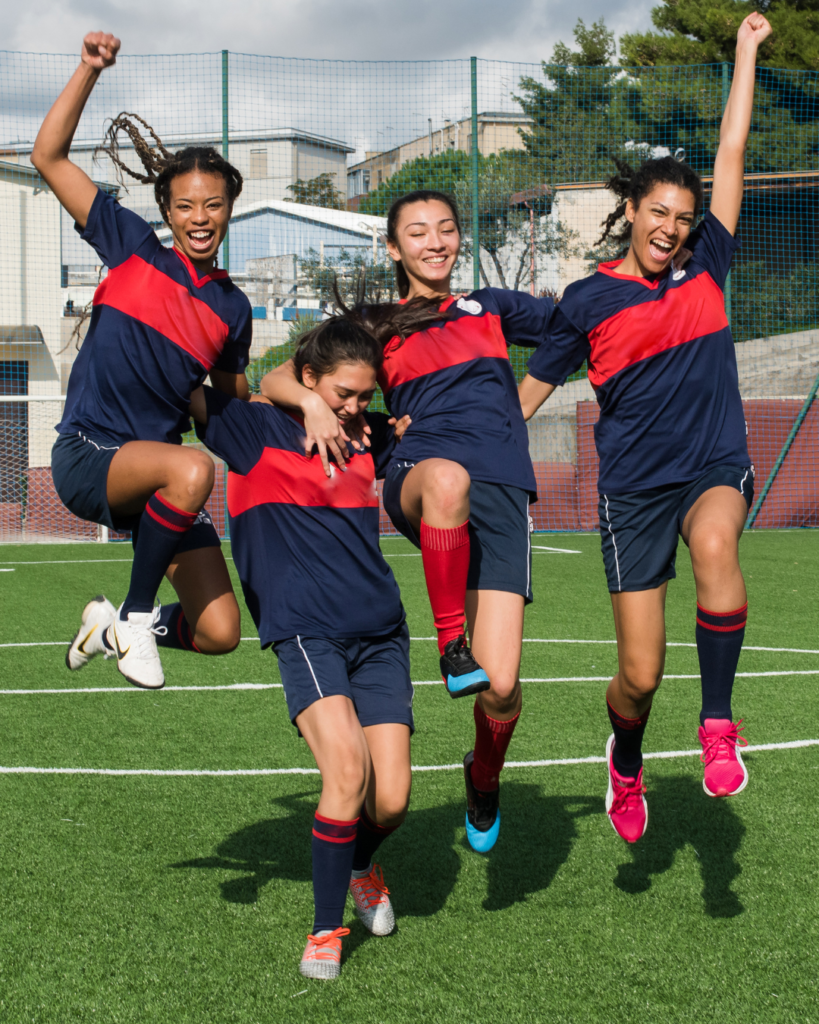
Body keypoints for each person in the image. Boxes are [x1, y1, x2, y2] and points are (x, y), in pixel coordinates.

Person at [519, 13, 773, 843]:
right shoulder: (584, 302)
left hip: (712, 466)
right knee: (637, 675)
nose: (669, 227)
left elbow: (730, 153)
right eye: (657, 211)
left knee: (716, 549)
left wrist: (742, 52)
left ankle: (718, 727)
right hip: (631, 492)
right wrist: (451, 440)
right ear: (630, 209)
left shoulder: (707, 273)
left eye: (682, 217)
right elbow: (527, 392)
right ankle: (624, 762)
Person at [262, 191, 554, 853]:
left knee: (502, 687)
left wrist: (522, 406)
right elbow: (277, 377)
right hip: (420, 476)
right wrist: (310, 403)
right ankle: (450, 646)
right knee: (448, 478)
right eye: (417, 233)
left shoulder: (492, 307)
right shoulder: (377, 322)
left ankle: (483, 773)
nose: (435, 242)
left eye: (446, 229)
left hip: (502, 492)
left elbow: (577, 329)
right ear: (393, 249)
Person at [191, 317, 414, 981]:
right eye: (340, 393)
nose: (353, 405)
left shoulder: (370, 434)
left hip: (380, 630)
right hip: (305, 629)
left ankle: (359, 866)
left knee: (392, 799)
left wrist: (349, 410)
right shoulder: (252, 431)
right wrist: (296, 395)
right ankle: (324, 931)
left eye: (362, 395)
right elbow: (189, 385)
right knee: (345, 774)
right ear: (309, 379)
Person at [32, 32, 252, 690]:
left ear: (229, 207)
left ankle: (113, 625)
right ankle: (131, 616)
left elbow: (229, 399)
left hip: (162, 485)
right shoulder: (131, 248)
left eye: (213, 204)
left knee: (219, 633)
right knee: (189, 466)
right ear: (165, 210)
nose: (200, 217)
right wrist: (88, 69)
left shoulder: (233, 309)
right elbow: (48, 156)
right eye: (185, 205)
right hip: (90, 455)